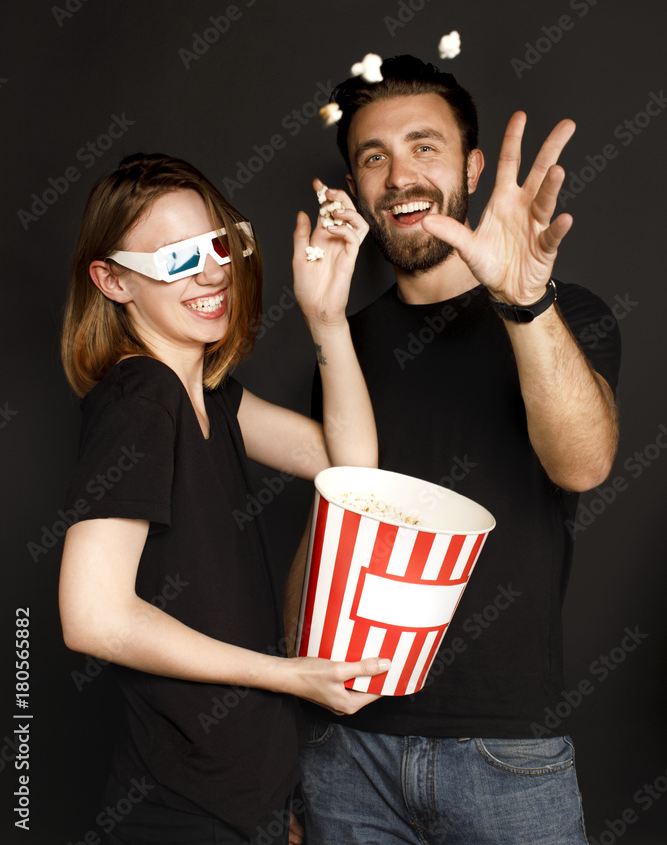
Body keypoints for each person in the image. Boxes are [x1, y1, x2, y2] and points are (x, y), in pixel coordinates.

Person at [296, 56, 621, 845]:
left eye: (424, 147)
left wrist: (522, 301)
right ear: (353, 186)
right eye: (373, 157)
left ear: (473, 168)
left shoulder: (563, 313)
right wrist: (294, 734)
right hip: (348, 749)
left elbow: (581, 464)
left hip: (504, 750)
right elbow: (326, 534)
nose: (399, 176)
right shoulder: (345, 337)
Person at [58, 153, 392, 845]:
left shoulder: (208, 398)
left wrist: (325, 316)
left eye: (216, 244)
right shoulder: (140, 400)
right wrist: (292, 676)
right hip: (181, 817)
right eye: (176, 257)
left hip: (245, 810)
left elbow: (351, 469)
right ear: (112, 280)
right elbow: (91, 616)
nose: (212, 272)